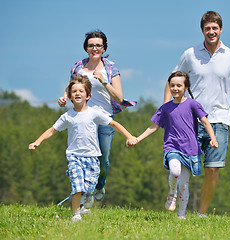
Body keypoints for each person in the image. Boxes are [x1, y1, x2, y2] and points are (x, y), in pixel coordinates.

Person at [164, 11, 230, 217]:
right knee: (183, 167)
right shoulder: (190, 54)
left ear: (221, 29)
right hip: (190, 120)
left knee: (212, 169)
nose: (211, 32)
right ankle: (181, 212)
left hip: (220, 120)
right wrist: (166, 108)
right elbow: (172, 80)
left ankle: (202, 213)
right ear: (202, 30)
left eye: (215, 28)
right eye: (207, 29)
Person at [30, 75, 137, 221]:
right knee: (77, 185)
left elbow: (113, 124)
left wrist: (129, 136)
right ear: (69, 96)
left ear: (88, 95)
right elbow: (52, 130)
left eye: (81, 91)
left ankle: (87, 198)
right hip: (74, 156)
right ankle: (76, 215)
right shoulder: (67, 116)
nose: (77, 94)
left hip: (92, 156)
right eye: (74, 92)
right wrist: (38, 141)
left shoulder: (94, 113)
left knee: (89, 187)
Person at [129, 71, 218, 219]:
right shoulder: (165, 108)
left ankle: (181, 215)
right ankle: (172, 192)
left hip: (190, 149)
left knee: (184, 184)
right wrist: (138, 138)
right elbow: (154, 126)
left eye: (179, 85)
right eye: (172, 85)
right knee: (175, 171)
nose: (175, 88)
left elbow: (205, 121)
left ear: (186, 86)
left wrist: (213, 138)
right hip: (172, 147)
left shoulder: (192, 104)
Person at [58, 30, 133, 203]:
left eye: (98, 45)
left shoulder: (110, 68)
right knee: (84, 157)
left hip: (105, 118)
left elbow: (119, 98)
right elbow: (71, 86)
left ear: (104, 47)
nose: (95, 48)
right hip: (84, 118)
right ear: (86, 48)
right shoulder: (78, 67)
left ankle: (99, 185)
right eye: (91, 45)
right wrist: (64, 97)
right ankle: (86, 193)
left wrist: (104, 81)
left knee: (103, 160)